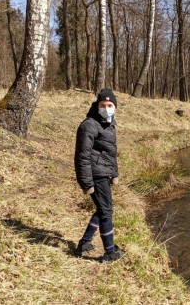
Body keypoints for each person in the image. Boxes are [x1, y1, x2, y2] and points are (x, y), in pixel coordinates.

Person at [74, 88, 125, 262]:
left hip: (103, 172)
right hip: (95, 175)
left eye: (110, 105)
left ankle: (85, 243)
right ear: (97, 106)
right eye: (103, 105)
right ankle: (110, 252)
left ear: (115, 107)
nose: (107, 108)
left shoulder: (109, 123)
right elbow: (82, 155)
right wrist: (87, 182)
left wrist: (114, 173)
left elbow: (110, 153)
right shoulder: (89, 125)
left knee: (103, 209)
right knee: (106, 211)